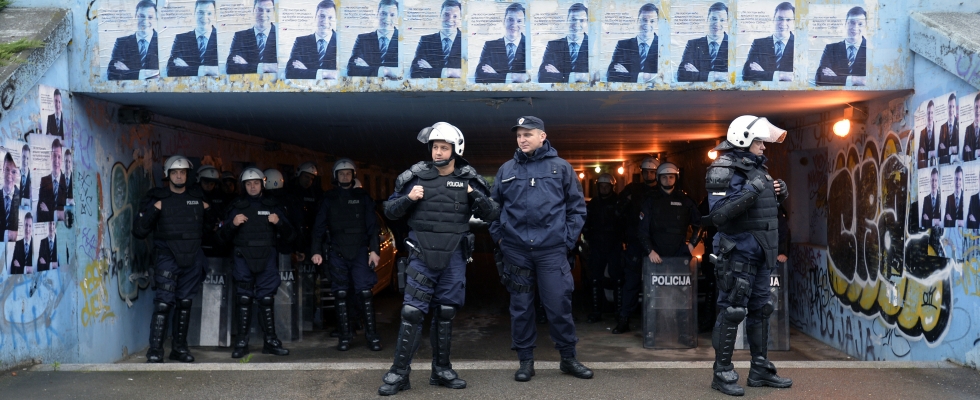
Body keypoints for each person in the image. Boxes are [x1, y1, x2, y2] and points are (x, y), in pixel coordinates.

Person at [378, 122, 499, 395]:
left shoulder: (469, 178)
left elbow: (493, 213)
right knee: (412, 312)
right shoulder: (414, 176)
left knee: (445, 312)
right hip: (421, 254)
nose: (438, 152)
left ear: (456, 150)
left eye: (444, 147)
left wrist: (473, 195)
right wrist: (409, 199)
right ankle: (399, 374)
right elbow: (390, 211)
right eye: (435, 147)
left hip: (454, 255)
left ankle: (441, 370)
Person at [490, 116, 592, 383]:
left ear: (542, 136)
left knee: (558, 305)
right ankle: (525, 362)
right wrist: (500, 240)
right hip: (516, 252)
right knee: (521, 308)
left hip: (551, 252)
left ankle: (568, 358)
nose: (522, 139)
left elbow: (577, 209)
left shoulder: (561, 168)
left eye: (528, 134)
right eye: (519, 135)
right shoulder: (506, 169)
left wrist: (566, 241)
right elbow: (492, 210)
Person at [703, 115, 793, 396]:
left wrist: (779, 194)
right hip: (738, 253)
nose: (764, 146)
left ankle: (759, 369)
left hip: (761, 252)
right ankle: (722, 372)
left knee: (761, 309)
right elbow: (718, 214)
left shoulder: (758, 168)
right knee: (732, 311)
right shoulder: (722, 168)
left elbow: (761, 211)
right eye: (758, 142)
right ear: (742, 140)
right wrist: (752, 191)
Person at [131, 155, 212, 363]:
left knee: (184, 303)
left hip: (192, 258)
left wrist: (209, 211)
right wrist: (154, 210)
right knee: (163, 304)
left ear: (187, 175)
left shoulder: (198, 198)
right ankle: (155, 351)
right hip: (167, 257)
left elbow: (214, 230)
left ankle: (179, 349)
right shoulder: (157, 198)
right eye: (174, 172)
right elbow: (139, 231)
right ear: (168, 175)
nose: (178, 176)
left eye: (182, 172)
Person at [219, 167, 294, 359]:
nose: (253, 187)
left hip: (267, 258)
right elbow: (220, 238)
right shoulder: (236, 206)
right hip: (243, 258)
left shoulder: (273, 206)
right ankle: (241, 343)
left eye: (256, 183)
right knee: (244, 299)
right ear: (243, 186)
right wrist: (232, 224)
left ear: (262, 184)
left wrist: (279, 222)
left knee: (266, 299)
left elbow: (291, 234)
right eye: (249, 184)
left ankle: (271, 341)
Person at [311, 158, 383, 352]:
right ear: (336, 176)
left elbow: (373, 227)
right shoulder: (329, 198)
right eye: (341, 173)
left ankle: (372, 337)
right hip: (337, 251)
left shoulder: (363, 197)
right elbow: (318, 227)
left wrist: (374, 251)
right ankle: (345, 337)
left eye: (348, 173)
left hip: (360, 251)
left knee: (365, 293)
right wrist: (316, 251)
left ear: (353, 175)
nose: (345, 176)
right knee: (341, 293)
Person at [612, 156, 659, 334]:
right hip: (635, 242)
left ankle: (659, 321)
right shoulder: (633, 189)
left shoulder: (663, 192)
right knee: (631, 282)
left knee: (657, 284)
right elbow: (618, 212)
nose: (648, 175)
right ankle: (624, 318)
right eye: (646, 172)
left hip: (656, 245)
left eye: (652, 172)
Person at [583, 173, 621, 323]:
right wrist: (588, 238)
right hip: (597, 244)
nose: (604, 189)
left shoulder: (619, 202)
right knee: (595, 279)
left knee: (618, 280)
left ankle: (619, 312)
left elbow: (624, 222)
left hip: (614, 244)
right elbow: (587, 222)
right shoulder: (594, 203)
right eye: (602, 186)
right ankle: (596, 311)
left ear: (612, 187)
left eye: (607, 186)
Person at [475, 3, 528, 84]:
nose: (514, 24)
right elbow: (480, 76)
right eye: (510, 19)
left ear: (524, 24)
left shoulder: (529, 45)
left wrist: (496, 75)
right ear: (504, 21)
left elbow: (530, 79)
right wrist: (513, 77)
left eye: (519, 21)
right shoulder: (490, 46)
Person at [741, 2, 794, 82]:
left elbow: (800, 77)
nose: (783, 23)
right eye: (780, 18)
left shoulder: (799, 45)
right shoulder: (758, 44)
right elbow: (747, 74)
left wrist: (763, 73)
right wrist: (781, 75)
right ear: (773, 19)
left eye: (788, 20)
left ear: (793, 22)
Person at [537, 3, 590, 83]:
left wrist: (560, 76)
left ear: (587, 23)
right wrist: (577, 77)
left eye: (582, 20)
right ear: (567, 21)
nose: (576, 24)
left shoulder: (593, 46)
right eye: (573, 19)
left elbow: (595, 78)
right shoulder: (553, 45)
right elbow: (543, 76)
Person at [607, 3, 659, 83]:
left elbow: (663, 78)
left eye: (652, 21)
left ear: (657, 23)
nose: (647, 24)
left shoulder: (663, 46)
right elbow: (611, 75)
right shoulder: (622, 45)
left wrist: (628, 74)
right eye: (644, 20)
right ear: (637, 21)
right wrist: (647, 77)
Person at [107, 0, 160, 80]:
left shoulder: (162, 42)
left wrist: (129, 72)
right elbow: (112, 74)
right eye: (141, 16)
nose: (145, 21)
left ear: (156, 19)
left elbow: (164, 75)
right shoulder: (121, 42)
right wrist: (147, 74)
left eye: (150, 17)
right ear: (135, 17)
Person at [286, 0, 338, 80]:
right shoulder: (300, 42)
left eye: (330, 17)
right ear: (315, 17)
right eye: (322, 16)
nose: (325, 21)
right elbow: (290, 73)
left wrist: (307, 71)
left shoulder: (341, 43)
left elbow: (344, 74)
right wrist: (326, 74)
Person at [815, 6, 867, 86]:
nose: (855, 27)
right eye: (852, 22)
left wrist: (836, 78)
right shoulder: (830, 49)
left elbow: (875, 80)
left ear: (865, 26)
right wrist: (854, 80)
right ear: (845, 23)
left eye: (860, 24)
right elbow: (820, 78)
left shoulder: (872, 51)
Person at [347, 0, 400, 79]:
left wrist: (368, 67)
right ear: (377, 14)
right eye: (383, 13)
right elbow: (351, 70)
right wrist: (386, 71)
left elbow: (401, 73)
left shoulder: (402, 40)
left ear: (397, 17)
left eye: (392, 15)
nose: (387, 19)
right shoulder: (362, 39)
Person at [166, 0, 219, 77]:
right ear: (194, 13)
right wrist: (206, 70)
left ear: (214, 16)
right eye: (200, 12)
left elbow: (224, 70)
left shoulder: (221, 38)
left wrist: (187, 68)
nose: (204, 17)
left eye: (209, 13)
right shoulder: (180, 39)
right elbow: (171, 71)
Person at [678, 2, 729, 83]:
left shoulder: (733, 45)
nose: (717, 23)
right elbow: (682, 75)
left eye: (722, 20)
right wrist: (715, 76)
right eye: (714, 19)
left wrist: (698, 74)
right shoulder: (692, 44)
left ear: (727, 22)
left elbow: (733, 77)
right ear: (707, 19)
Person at [409, 1, 462, 79]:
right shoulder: (425, 41)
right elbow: (415, 72)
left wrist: (431, 70)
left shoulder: (466, 42)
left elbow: (466, 75)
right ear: (440, 16)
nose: (450, 19)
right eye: (446, 15)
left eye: (455, 16)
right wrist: (450, 72)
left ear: (460, 19)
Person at [227, 0, 279, 75]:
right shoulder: (240, 36)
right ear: (253, 11)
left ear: (273, 13)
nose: (263, 14)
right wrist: (266, 67)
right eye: (259, 10)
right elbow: (230, 68)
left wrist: (246, 64)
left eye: (268, 11)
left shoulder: (280, 36)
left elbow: (282, 68)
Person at [37, 139, 67, 223]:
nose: (56, 160)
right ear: (51, 156)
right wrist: (59, 214)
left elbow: (67, 215)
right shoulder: (44, 181)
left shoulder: (67, 183)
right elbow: (39, 215)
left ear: (62, 159)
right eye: (54, 156)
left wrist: (49, 212)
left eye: (59, 157)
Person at [1, 154, 21, 240]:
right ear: (2, 169)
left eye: (13, 172)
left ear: (17, 174)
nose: (9, 175)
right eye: (7, 170)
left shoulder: (22, 198)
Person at [938, 93, 959, 163]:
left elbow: (959, 149)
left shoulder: (959, 125)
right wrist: (952, 150)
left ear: (955, 108)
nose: (951, 109)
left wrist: (946, 149)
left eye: (953, 106)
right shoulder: (942, 127)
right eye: (950, 106)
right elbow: (940, 151)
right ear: (947, 108)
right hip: (945, 163)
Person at [918, 101, 938, 169]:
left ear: (934, 114)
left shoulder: (938, 130)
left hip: (936, 167)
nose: (930, 116)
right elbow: (920, 155)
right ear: (926, 114)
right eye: (928, 113)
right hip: (925, 167)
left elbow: (939, 152)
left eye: (932, 113)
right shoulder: (922, 132)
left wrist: (926, 153)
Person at [963, 95, 980, 162]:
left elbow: (969, 152)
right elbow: (965, 154)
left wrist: (972, 152)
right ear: (973, 108)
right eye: (976, 107)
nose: (978, 110)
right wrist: (977, 152)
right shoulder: (968, 129)